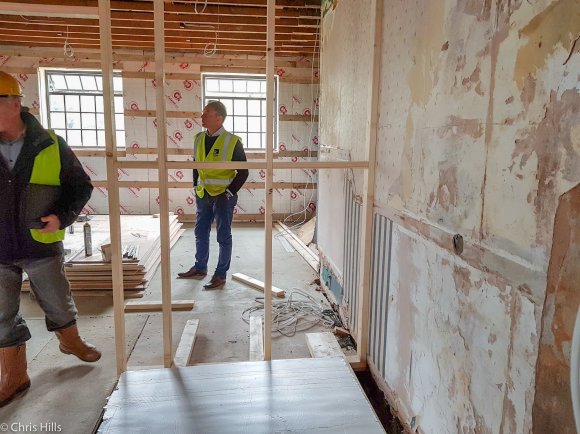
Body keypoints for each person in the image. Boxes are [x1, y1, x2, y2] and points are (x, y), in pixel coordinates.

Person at [0, 71, 101, 408]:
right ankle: (15, 376)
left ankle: (70, 342)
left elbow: (80, 187)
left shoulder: (50, 143)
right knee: (1, 315)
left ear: (14, 104)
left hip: (39, 243)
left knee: (58, 301)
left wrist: (61, 216)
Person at [178, 100, 249, 289]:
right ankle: (200, 267)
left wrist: (228, 192)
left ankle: (220, 275)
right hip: (204, 194)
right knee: (200, 232)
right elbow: (196, 165)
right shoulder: (198, 138)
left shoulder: (232, 141)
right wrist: (195, 186)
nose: (202, 116)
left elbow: (244, 171)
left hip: (223, 197)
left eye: (206, 113)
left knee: (223, 236)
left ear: (219, 118)